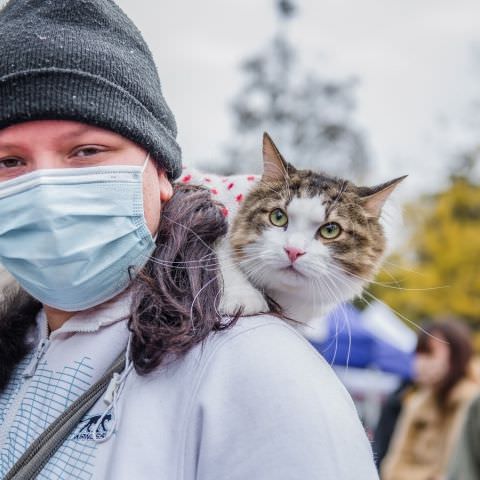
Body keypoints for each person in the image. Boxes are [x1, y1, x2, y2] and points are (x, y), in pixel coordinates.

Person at [0, 0, 379, 478]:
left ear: (161, 172)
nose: (46, 191)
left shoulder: (259, 370)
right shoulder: (16, 337)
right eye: (8, 161)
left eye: (86, 150)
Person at [380, 321, 479, 480]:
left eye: (429, 353)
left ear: (456, 354)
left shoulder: (472, 403)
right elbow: (393, 466)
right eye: (418, 354)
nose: (421, 362)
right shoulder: (417, 403)